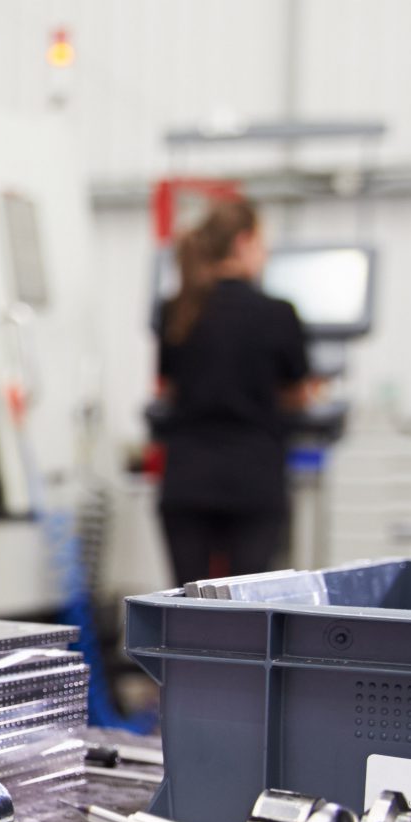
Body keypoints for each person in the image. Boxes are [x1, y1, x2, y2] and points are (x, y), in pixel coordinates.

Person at [153, 198, 318, 585]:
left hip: (186, 480)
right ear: (244, 243)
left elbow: (169, 389)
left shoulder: (176, 309)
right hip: (252, 480)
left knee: (186, 606)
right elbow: (297, 394)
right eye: (263, 244)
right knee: (246, 609)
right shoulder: (277, 313)